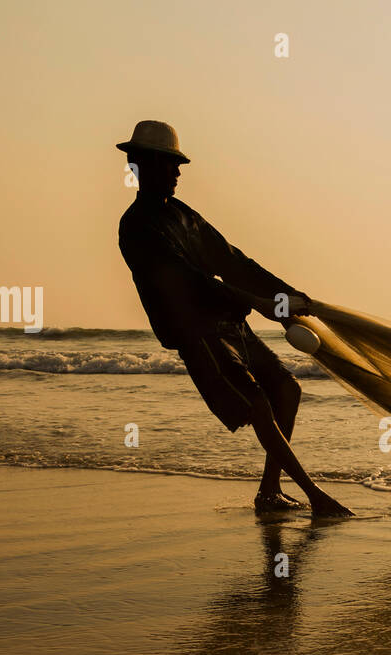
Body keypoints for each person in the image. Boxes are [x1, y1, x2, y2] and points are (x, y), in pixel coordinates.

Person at [115, 120, 351, 516]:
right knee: (257, 404)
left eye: (178, 165)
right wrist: (262, 305)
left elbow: (231, 260)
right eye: (169, 164)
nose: (177, 173)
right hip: (198, 332)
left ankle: (270, 490)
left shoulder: (183, 215)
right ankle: (314, 495)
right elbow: (190, 281)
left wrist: (285, 295)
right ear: (140, 164)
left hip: (230, 324)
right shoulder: (137, 226)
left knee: (287, 390)